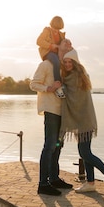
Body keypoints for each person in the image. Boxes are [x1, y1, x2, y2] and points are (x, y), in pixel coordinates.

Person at [59, 49, 104, 193]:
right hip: (84, 120)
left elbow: (70, 97)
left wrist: (59, 90)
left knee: (85, 153)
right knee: (85, 152)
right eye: (65, 62)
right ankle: (90, 183)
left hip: (84, 121)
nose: (67, 64)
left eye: (70, 62)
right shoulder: (80, 75)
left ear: (75, 62)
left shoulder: (76, 78)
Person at [29, 57, 74, 196]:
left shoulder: (63, 66)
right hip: (51, 110)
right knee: (50, 146)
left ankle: (54, 179)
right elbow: (33, 84)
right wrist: (49, 88)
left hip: (63, 111)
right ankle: (43, 184)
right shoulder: (46, 65)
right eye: (63, 45)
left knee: (58, 145)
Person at [36, 16, 72, 98]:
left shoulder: (61, 35)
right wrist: (51, 46)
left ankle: (68, 84)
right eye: (55, 28)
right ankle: (57, 85)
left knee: (68, 62)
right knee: (56, 61)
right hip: (48, 52)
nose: (56, 30)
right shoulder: (46, 31)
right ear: (51, 25)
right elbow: (39, 41)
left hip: (58, 53)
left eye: (58, 29)